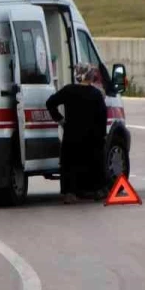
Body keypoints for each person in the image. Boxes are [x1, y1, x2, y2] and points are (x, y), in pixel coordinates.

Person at [46, 63, 108, 204]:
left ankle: (70, 193)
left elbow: (50, 103)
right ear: (91, 75)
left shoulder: (69, 90)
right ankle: (97, 190)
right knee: (95, 163)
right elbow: (102, 116)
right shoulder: (96, 94)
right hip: (92, 137)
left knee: (70, 164)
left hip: (72, 135)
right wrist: (101, 135)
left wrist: (60, 120)